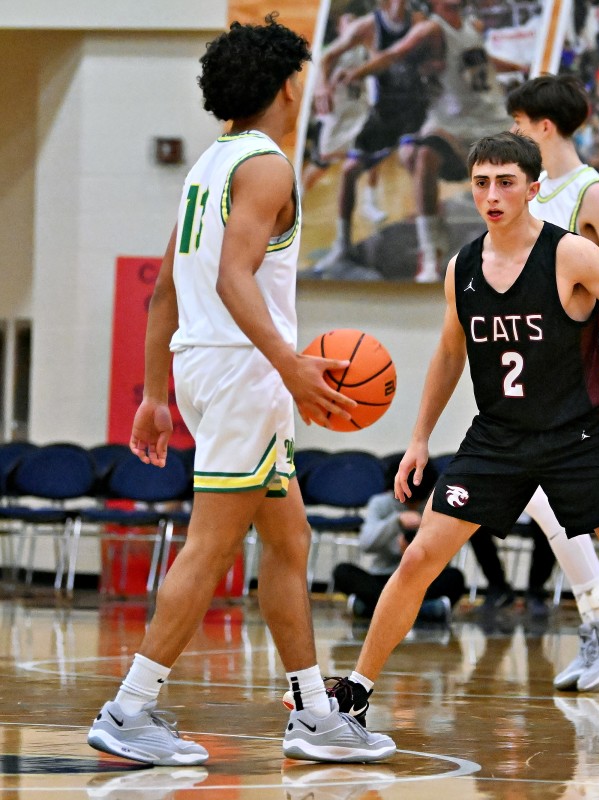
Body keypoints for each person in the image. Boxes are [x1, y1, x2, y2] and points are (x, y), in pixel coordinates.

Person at [337, 131, 599, 746]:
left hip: (577, 439)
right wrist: (418, 438)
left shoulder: (569, 255)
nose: (492, 195)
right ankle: (354, 694)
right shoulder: (462, 266)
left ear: (533, 189)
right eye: (482, 183)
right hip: (497, 439)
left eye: (506, 182)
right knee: (417, 559)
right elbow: (448, 352)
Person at [85, 16, 395, 765]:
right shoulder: (267, 166)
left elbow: (166, 290)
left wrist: (156, 394)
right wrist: (288, 364)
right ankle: (131, 707)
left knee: (290, 538)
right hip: (242, 373)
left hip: (210, 368)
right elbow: (231, 277)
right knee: (210, 546)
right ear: (290, 84)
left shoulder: (210, 165)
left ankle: (315, 714)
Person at [506, 73, 599, 692]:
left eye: (516, 125)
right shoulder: (523, 192)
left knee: (561, 494)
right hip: (522, 369)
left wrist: (571, 326)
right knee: (536, 494)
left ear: (543, 127)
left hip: (581, 369)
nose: (510, 134)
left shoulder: (592, 196)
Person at [339, 0, 524, 283]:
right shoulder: (430, 30)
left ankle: (517, 246)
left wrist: (522, 66)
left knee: (509, 182)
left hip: (491, 121)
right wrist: (357, 73)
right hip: (454, 125)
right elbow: (393, 54)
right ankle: (431, 252)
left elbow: (483, 60)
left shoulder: (471, 27)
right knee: (423, 156)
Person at [308, 0, 433, 277]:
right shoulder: (367, 26)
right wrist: (321, 88)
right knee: (350, 170)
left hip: (416, 107)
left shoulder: (420, 22)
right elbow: (327, 56)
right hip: (384, 110)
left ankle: (430, 249)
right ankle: (342, 244)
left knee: (414, 159)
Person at [332, 459, 463, 623]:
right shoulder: (380, 503)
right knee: (342, 571)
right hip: (384, 578)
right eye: (407, 501)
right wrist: (396, 522)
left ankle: (377, 609)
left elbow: (446, 553)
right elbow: (365, 543)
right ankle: (422, 611)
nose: (412, 506)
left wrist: (419, 551)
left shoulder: (435, 505)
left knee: (455, 577)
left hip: (421, 579)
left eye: (417, 501)